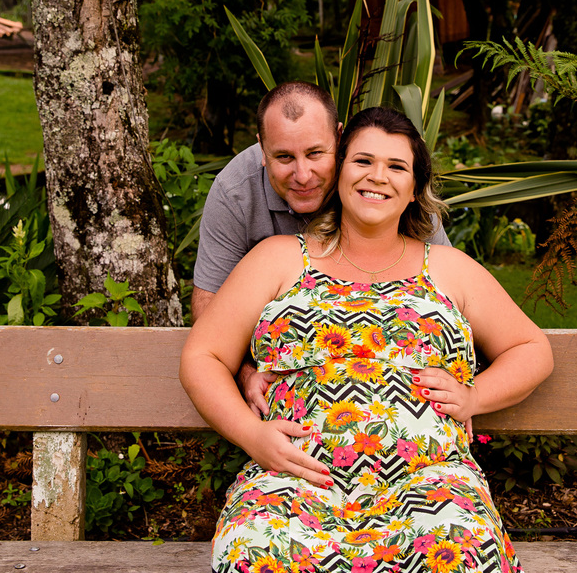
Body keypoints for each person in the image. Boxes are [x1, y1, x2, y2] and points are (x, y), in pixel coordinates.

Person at [181, 107, 553, 573]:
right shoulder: (277, 259)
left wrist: (475, 395)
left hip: (430, 484)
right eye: (363, 161)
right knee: (253, 553)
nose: (378, 176)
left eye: (396, 166)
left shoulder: (450, 269)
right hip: (295, 480)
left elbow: (531, 349)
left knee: (463, 552)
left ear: (414, 188)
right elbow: (203, 355)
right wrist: (252, 436)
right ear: (339, 172)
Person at [193, 82, 449, 414]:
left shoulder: (383, 188)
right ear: (262, 150)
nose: (303, 175)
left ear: (339, 138)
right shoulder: (235, 192)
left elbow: (446, 293)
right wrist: (245, 373)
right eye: (284, 157)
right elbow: (209, 304)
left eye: (315, 153)